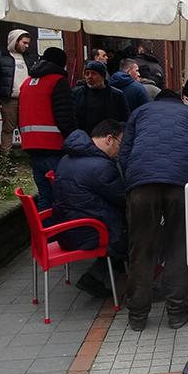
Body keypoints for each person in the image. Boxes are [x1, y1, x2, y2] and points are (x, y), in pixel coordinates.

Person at [119, 89, 188, 332]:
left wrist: (133, 180)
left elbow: (124, 153)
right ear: (180, 99)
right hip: (182, 183)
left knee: (140, 247)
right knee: (179, 246)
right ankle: (177, 311)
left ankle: (137, 314)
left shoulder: (139, 113)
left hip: (142, 184)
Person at [53, 120, 126, 298]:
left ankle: (101, 276)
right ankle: (140, 286)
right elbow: (123, 198)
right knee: (138, 232)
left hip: (67, 228)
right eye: (120, 144)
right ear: (109, 139)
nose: (119, 151)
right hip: (87, 232)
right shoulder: (100, 166)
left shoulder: (67, 158)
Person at [17, 47, 76, 210]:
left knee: (45, 197)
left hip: (32, 147)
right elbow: (65, 117)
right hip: (54, 146)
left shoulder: (27, 83)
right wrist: (75, 143)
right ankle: (62, 233)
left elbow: (19, 113)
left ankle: (45, 232)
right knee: (63, 197)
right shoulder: (57, 81)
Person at [0, 28, 38, 153]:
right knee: (8, 128)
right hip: (9, 99)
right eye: (24, 42)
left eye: (28, 43)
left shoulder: (29, 57)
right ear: (15, 41)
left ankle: (29, 154)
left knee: (26, 128)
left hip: (27, 99)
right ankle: (6, 156)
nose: (27, 46)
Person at [73, 60, 130, 134]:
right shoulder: (77, 94)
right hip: (83, 139)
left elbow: (125, 119)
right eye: (87, 73)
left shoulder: (117, 95)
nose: (89, 77)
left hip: (108, 139)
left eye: (94, 73)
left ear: (102, 76)